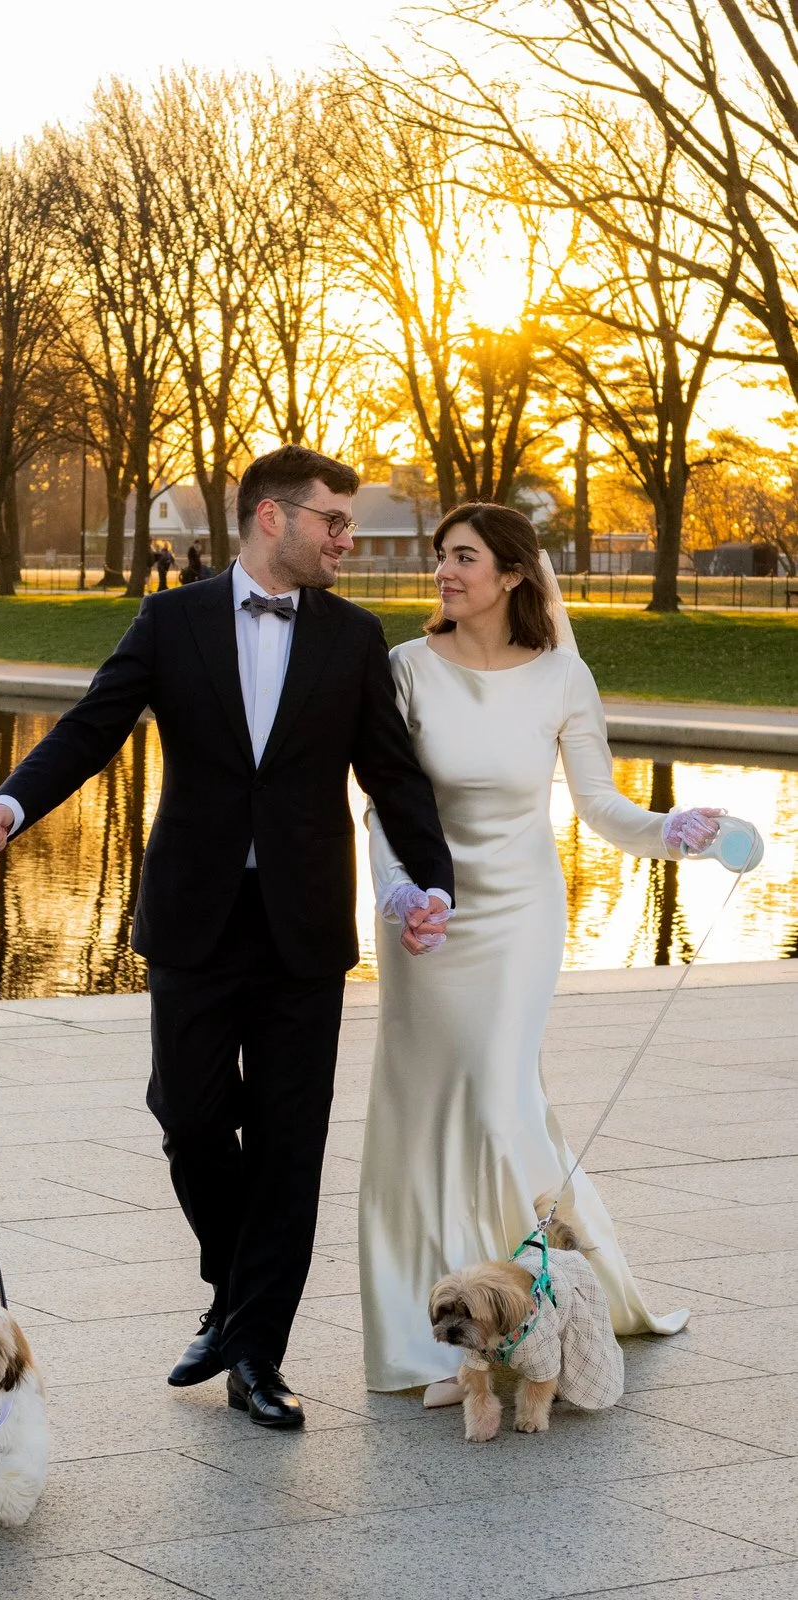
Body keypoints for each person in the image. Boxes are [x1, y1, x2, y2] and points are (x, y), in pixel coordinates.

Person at [0, 445, 454, 1429]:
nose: (346, 541)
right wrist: (12, 804)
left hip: (305, 927)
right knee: (189, 1116)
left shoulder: (354, 638)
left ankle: (256, 1357)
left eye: (350, 525)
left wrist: (433, 878)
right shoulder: (172, 619)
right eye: (334, 522)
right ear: (272, 518)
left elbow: (392, 772)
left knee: (289, 1141)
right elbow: (94, 725)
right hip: (194, 914)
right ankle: (233, 1289)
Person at [360, 501, 726, 1404]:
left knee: (497, 1094)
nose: (444, 571)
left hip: (521, 913)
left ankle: (529, 1305)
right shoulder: (404, 667)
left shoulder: (563, 674)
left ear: (514, 574)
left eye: (465, 558)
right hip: (427, 915)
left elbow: (600, 806)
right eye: (440, 556)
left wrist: (671, 830)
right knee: (422, 1111)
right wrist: (401, 893)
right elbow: (383, 800)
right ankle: (442, 1336)